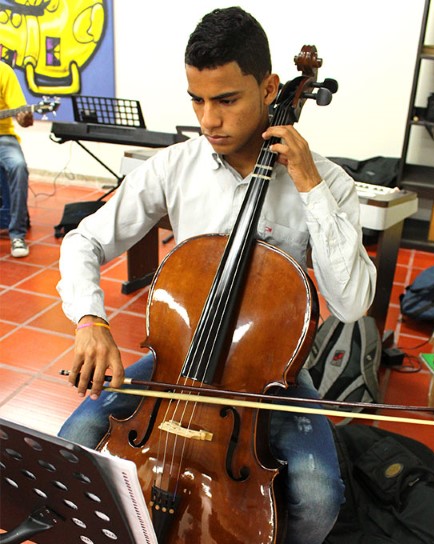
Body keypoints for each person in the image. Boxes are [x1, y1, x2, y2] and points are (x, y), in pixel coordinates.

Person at [57, 7, 377, 543]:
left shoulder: (328, 183)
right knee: (77, 439)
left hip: (268, 376)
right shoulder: (176, 165)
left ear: (270, 87)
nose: (208, 120)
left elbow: (351, 304)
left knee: (320, 494)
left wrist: (309, 186)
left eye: (226, 100)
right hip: (177, 363)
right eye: (197, 100)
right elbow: (84, 239)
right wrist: (90, 317)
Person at [0, 60, 32, 258]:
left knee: (18, 166)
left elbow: (21, 112)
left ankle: (17, 235)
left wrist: (25, 118)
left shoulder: (4, 72)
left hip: (3, 136)